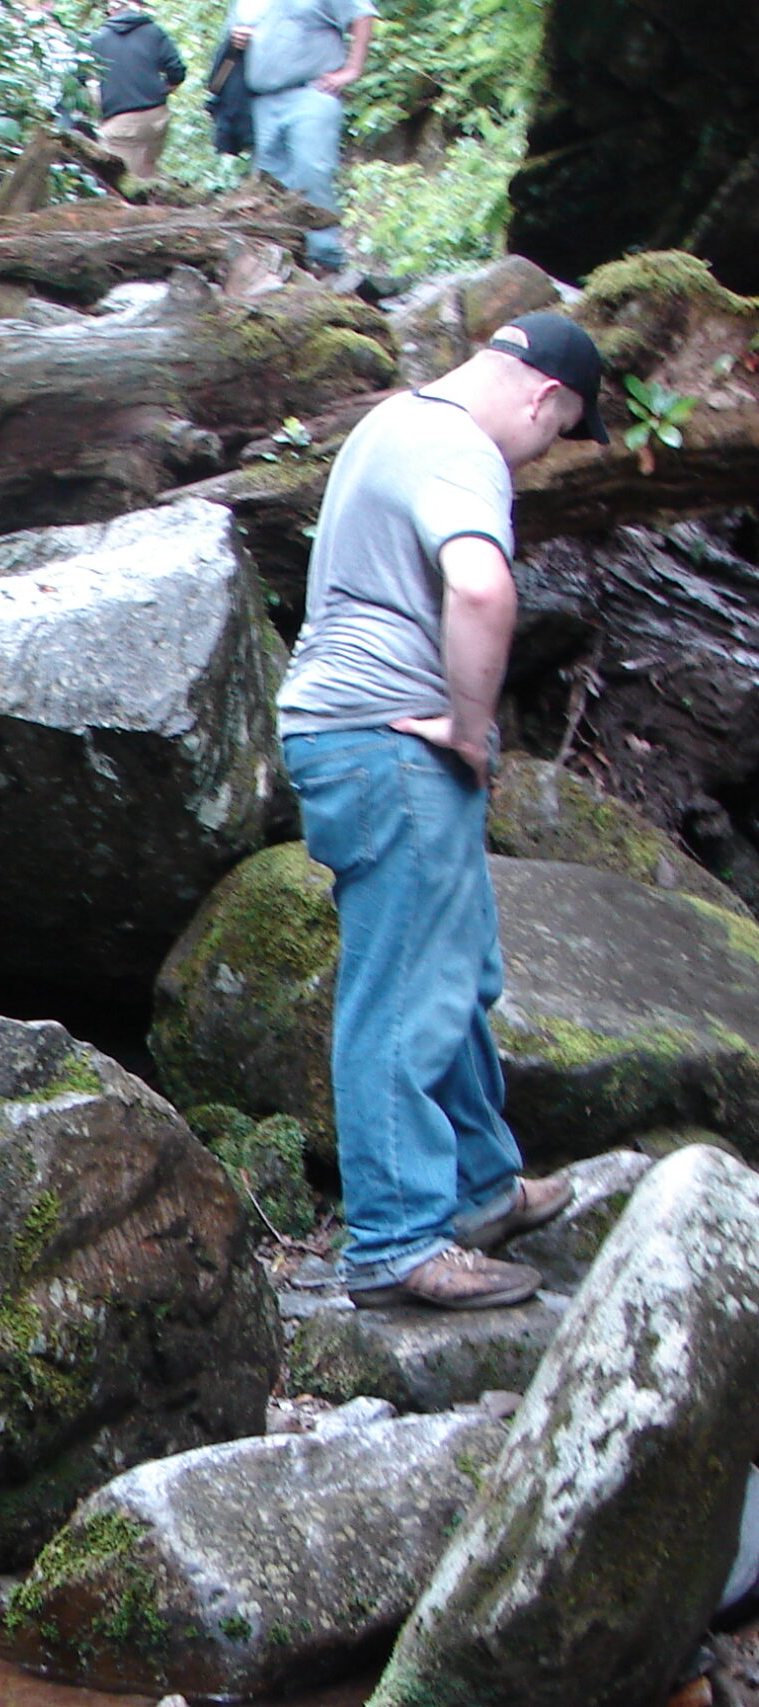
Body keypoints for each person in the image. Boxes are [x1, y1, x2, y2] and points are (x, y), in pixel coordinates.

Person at [276, 313, 611, 1311]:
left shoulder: (392, 424)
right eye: (558, 431)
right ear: (544, 396)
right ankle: (393, 1241)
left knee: (456, 970)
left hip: (346, 730)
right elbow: (479, 591)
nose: (541, 450)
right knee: (405, 989)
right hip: (389, 740)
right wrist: (469, 730)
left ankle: (474, 1192)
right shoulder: (461, 448)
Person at [235, 0, 376, 271]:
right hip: (262, 98)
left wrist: (352, 70)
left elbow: (362, 13)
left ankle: (325, 258)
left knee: (312, 171)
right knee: (267, 182)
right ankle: (276, 260)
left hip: (311, 92)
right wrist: (238, 39)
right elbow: (238, 33)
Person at [89, 0, 187, 181]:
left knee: (119, 184)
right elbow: (177, 72)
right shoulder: (154, 32)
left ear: (111, 9)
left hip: (120, 125)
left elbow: (80, 81)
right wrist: (160, 92)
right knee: (147, 175)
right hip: (156, 117)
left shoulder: (97, 40)